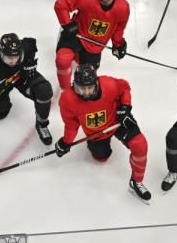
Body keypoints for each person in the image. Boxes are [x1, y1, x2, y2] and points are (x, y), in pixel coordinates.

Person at [56, 64, 151, 201]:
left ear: (96, 84)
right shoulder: (67, 100)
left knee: (140, 145)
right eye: (82, 89)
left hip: (118, 121)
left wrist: (125, 106)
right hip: (97, 133)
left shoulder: (108, 85)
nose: (87, 93)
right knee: (101, 158)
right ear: (74, 86)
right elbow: (71, 125)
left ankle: (136, 181)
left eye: (90, 88)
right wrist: (66, 142)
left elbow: (124, 86)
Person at [53, 0, 129, 89]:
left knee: (88, 76)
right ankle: (66, 90)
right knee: (63, 60)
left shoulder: (123, 7)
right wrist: (67, 25)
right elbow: (60, 4)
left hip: (95, 45)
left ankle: (78, 56)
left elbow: (119, 28)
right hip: (76, 35)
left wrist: (118, 44)